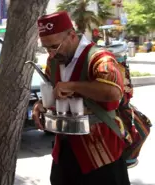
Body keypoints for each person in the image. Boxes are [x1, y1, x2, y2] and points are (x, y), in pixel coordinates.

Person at [32, 11, 130, 185]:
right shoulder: (54, 61)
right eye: (46, 48)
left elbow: (114, 92)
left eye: (54, 46)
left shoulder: (100, 57)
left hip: (102, 154)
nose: (51, 53)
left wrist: (73, 86)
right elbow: (55, 92)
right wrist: (42, 104)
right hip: (64, 153)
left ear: (71, 35)